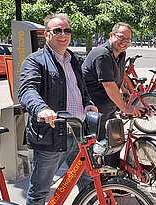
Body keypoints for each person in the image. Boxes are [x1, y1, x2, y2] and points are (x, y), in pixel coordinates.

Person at [18, 13, 98, 204]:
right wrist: (41, 108)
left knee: (89, 186)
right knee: (39, 193)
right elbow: (27, 89)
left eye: (66, 30)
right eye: (57, 31)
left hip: (79, 133)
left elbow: (81, 89)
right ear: (47, 35)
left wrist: (88, 104)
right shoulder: (35, 60)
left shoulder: (75, 60)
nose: (63, 34)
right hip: (51, 136)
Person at [82, 22, 143, 168]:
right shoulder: (102, 54)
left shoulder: (120, 53)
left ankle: (113, 183)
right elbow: (109, 85)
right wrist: (125, 108)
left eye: (128, 39)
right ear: (111, 35)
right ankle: (101, 184)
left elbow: (117, 75)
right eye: (121, 38)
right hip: (95, 112)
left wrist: (122, 87)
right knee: (100, 151)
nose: (124, 42)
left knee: (115, 145)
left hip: (109, 108)